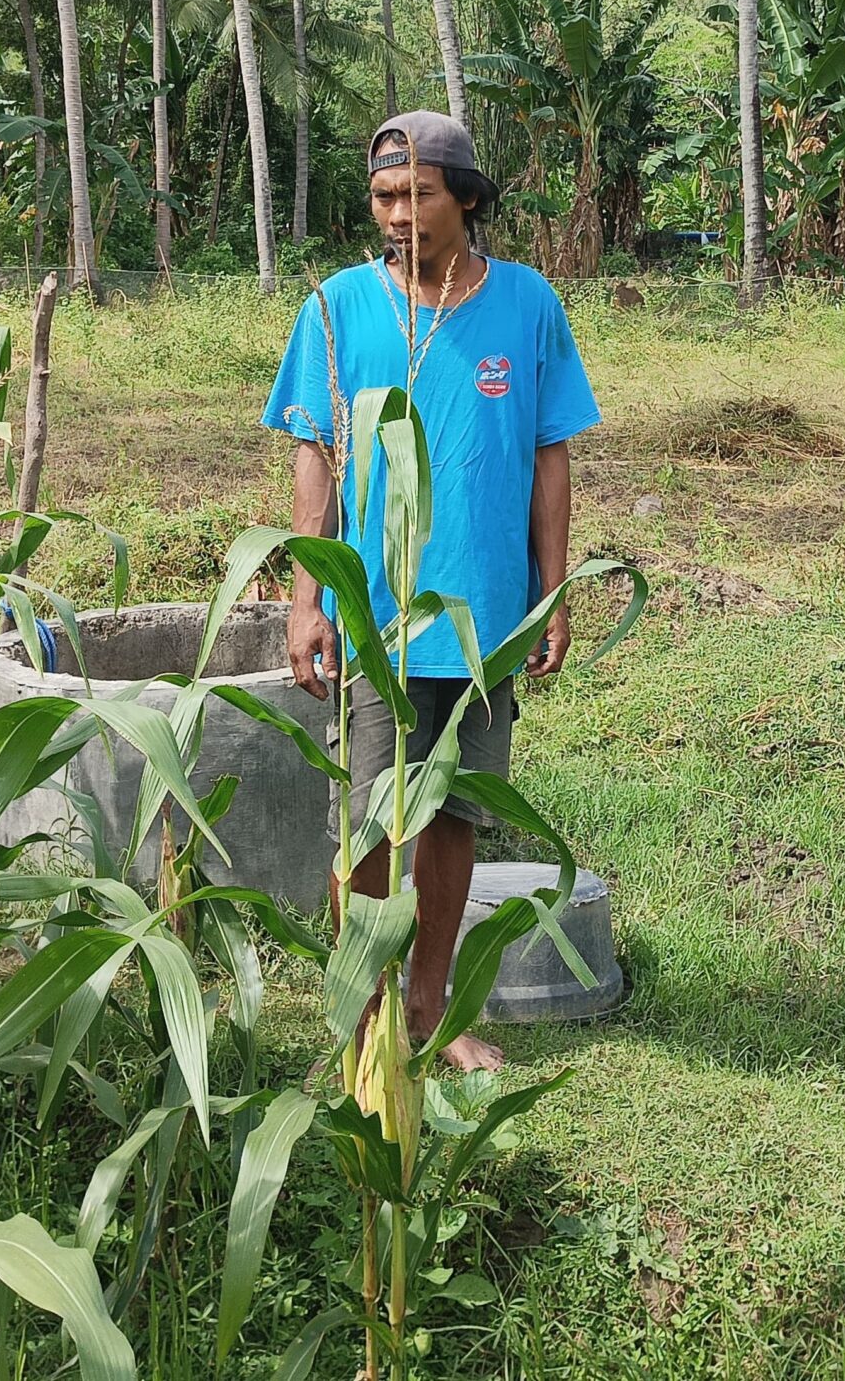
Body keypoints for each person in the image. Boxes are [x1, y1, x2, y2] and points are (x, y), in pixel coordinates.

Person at [263, 111, 600, 1075]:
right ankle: (362, 1014)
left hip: (486, 618)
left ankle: (427, 1008)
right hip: (379, 621)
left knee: (455, 814)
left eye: (419, 195)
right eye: (383, 197)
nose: (399, 214)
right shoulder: (337, 311)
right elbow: (314, 462)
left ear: (466, 199)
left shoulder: (527, 308)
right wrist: (307, 598)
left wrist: (552, 590)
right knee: (371, 818)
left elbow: (548, 456)